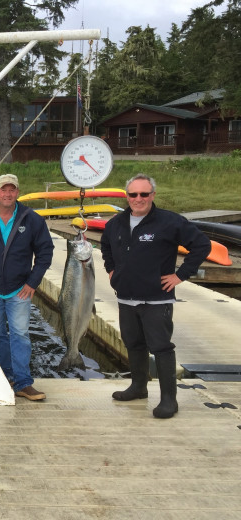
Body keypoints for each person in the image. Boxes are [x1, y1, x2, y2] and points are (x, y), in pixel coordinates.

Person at [101, 173, 209, 419]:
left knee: (161, 347)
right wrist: (111, 269)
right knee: (133, 344)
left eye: (144, 194)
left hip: (156, 300)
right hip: (126, 298)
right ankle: (139, 387)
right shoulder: (115, 223)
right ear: (126, 196)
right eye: (133, 194)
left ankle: (169, 400)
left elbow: (202, 245)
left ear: (152, 195)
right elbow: (106, 245)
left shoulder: (169, 222)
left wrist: (180, 275)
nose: (138, 199)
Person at [0, 173, 54, 401]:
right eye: (4, 189)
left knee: (20, 335)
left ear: (17, 192)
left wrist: (33, 281)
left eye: (12, 190)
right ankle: (4, 378)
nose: (8, 194)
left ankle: (23, 382)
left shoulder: (32, 219)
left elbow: (45, 252)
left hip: (19, 288)